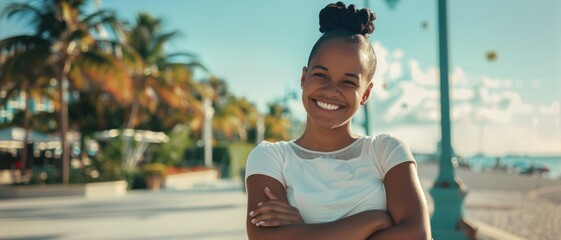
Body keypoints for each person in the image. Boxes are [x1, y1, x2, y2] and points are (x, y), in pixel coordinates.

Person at [245, 2, 431, 239]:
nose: (331, 90)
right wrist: (373, 220)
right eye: (321, 75)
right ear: (304, 77)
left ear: (365, 94)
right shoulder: (271, 157)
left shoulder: (386, 151)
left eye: (349, 82)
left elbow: (417, 234)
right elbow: (264, 237)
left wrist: (301, 232)